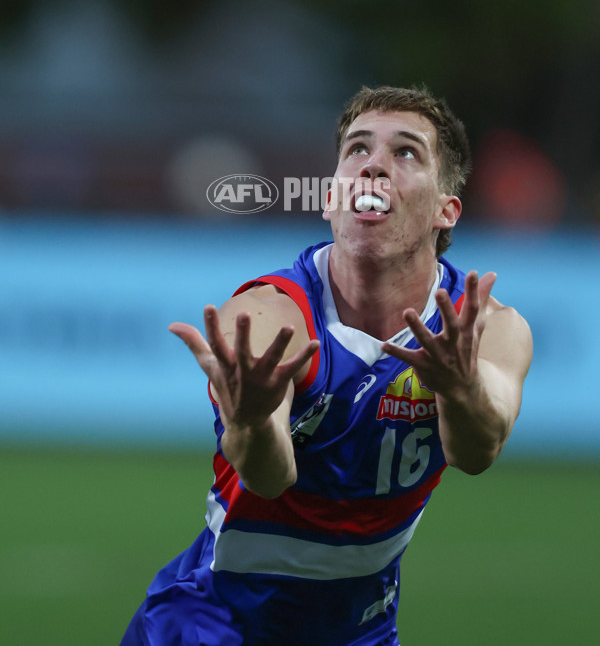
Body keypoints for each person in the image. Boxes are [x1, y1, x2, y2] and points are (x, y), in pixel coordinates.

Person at [120, 84, 532, 646]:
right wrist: (251, 421)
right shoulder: (269, 316)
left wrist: (459, 389)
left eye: (405, 152)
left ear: (445, 208)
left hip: (360, 630)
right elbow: (267, 478)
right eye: (357, 150)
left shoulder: (491, 329)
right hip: (213, 622)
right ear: (330, 197)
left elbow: (478, 452)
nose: (374, 166)